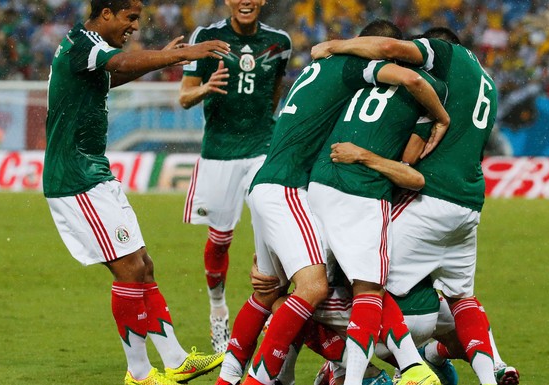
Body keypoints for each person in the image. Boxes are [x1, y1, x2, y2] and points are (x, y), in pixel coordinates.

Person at [224, 19, 450, 385]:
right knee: (331, 288)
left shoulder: (320, 76)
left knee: (275, 292)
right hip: (294, 189)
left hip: (279, 184)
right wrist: (439, 118)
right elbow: (409, 84)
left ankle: (239, 376)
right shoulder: (360, 73)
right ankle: (387, 367)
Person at [43, 1, 230, 384]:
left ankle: (175, 360)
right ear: (106, 13)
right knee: (128, 269)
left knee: (143, 264)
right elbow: (119, 64)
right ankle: (140, 374)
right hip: (75, 178)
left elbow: (110, 76)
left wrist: (162, 58)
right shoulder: (85, 44)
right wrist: (179, 55)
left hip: (94, 171)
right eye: (129, 17)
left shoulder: (87, 49)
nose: (134, 26)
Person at [312, 27, 510, 385]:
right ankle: (490, 373)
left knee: (362, 281)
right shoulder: (489, 85)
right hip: (468, 206)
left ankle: (372, 369)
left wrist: (335, 46)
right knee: (462, 296)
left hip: (429, 198)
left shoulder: (448, 58)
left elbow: (389, 47)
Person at [306, 27, 449, 382]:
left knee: (302, 290)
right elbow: (410, 164)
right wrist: (441, 118)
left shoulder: (353, 78)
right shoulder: (429, 86)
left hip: (318, 181)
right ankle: (373, 375)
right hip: (362, 191)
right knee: (369, 290)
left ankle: (269, 374)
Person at [179, 0, 291, 354]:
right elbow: (184, 97)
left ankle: (275, 314)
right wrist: (205, 88)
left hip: (262, 146)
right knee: (220, 239)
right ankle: (217, 309)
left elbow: (276, 89)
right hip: (219, 152)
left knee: (274, 236)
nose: (245, 1)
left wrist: (264, 127)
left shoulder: (279, 42)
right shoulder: (208, 37)